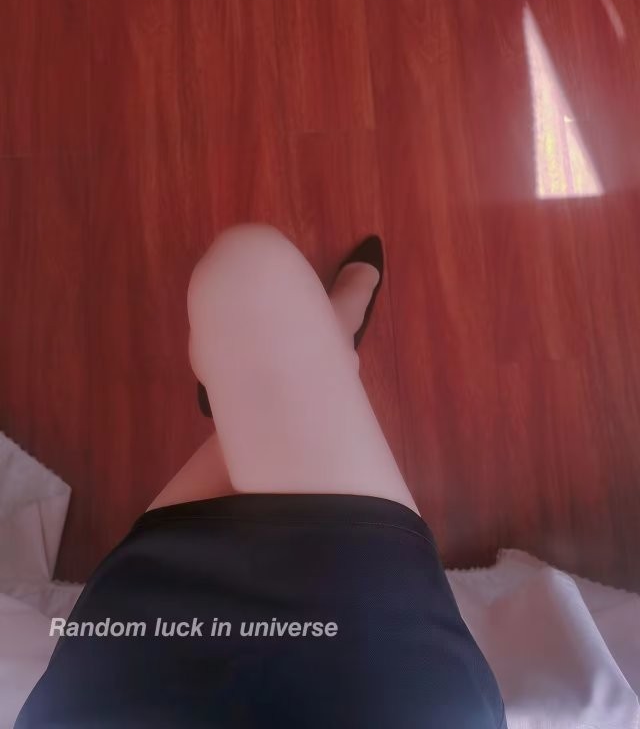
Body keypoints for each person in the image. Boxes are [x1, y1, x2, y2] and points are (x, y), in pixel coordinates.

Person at [15, 224, 506, 728]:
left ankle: (323, 346)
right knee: (247, 271)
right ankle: (328, 342)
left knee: (243, 275)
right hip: (370, 667)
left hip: (147, 655)